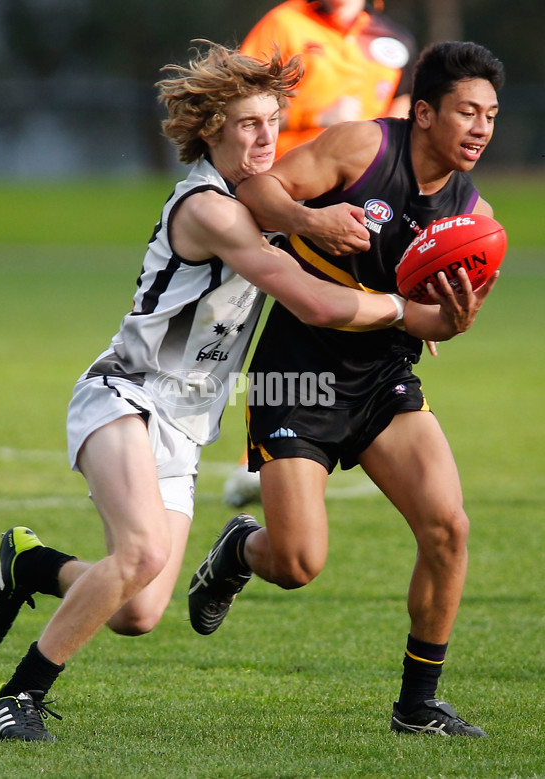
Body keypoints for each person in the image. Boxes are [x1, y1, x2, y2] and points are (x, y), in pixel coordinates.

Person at [0, 41, 449, 743]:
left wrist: (404, 282)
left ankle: (31, 563)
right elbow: (310, 299)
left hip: (186, 426)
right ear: (213, 130)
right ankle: (17, 698)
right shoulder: (207, 206)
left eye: (272, 123)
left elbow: (324, 242)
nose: (265, 138)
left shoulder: (261, 197)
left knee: (137, 608)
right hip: (125, 395)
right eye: (247, 124)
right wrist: (404, 310)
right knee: (140, 554)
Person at [189, 41, 504, 737]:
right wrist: (307, 220)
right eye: (466, 112)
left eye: (490, 115)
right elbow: (256, 190)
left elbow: (432, 324)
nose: (481, 128)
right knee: (298, 563)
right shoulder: (365, 147)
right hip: (297, 372)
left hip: (383, 379)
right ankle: (240, 548)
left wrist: (453, 321)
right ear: (423, 112)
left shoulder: (468, 212)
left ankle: (417, 705)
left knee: (448, 527)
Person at [223, 0, 417, 506]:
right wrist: (313, 115)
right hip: (279, 191)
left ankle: (284, 452)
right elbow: (236, 99)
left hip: (350, 202)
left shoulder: (389, 42)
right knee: (261, 314)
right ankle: (254, 447)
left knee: (319, 320)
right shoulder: (286, 22)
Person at [241, 0, 416, 159]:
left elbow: (401, 100)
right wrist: (314, 118)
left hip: (363, 177)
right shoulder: (284, 22)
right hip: (286, 173)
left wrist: (386, 152)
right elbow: (242, 104)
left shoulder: (396, 39)